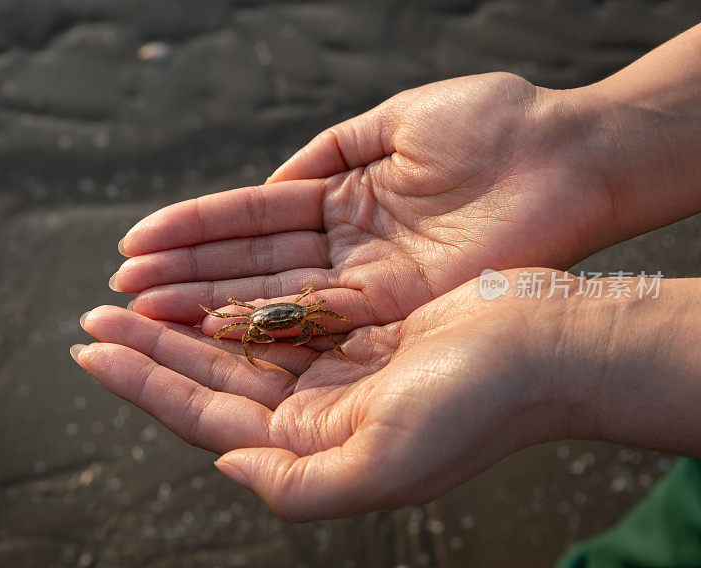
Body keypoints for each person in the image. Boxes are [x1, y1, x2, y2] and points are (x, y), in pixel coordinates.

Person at [70, 22, 701, 564]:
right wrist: (581, 141)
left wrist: (573, 344)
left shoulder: (310, 315)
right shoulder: (268, 324)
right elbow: (264, 324)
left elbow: (305, 317)